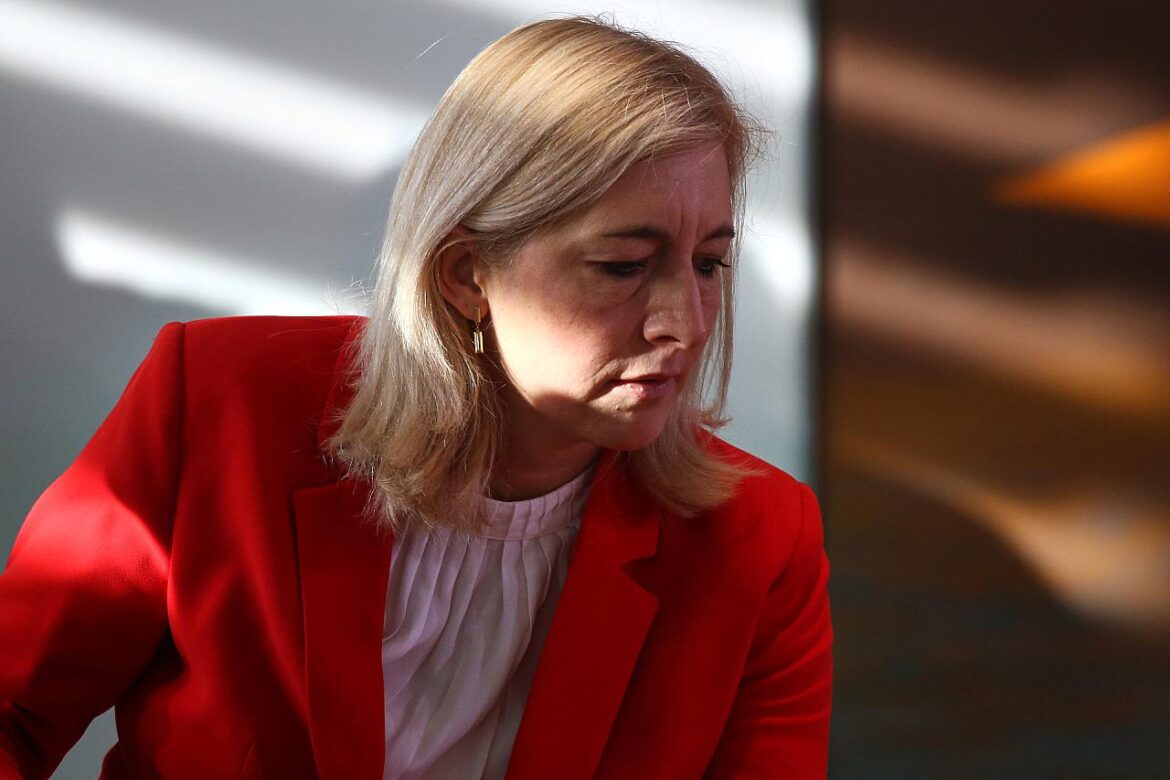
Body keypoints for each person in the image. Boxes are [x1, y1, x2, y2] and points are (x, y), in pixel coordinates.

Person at [0, 16, 832, 780]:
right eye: (623, 266)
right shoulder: (223, 400)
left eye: (709, 264)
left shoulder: (760, 540)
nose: (686, 323)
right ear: (466, 275)